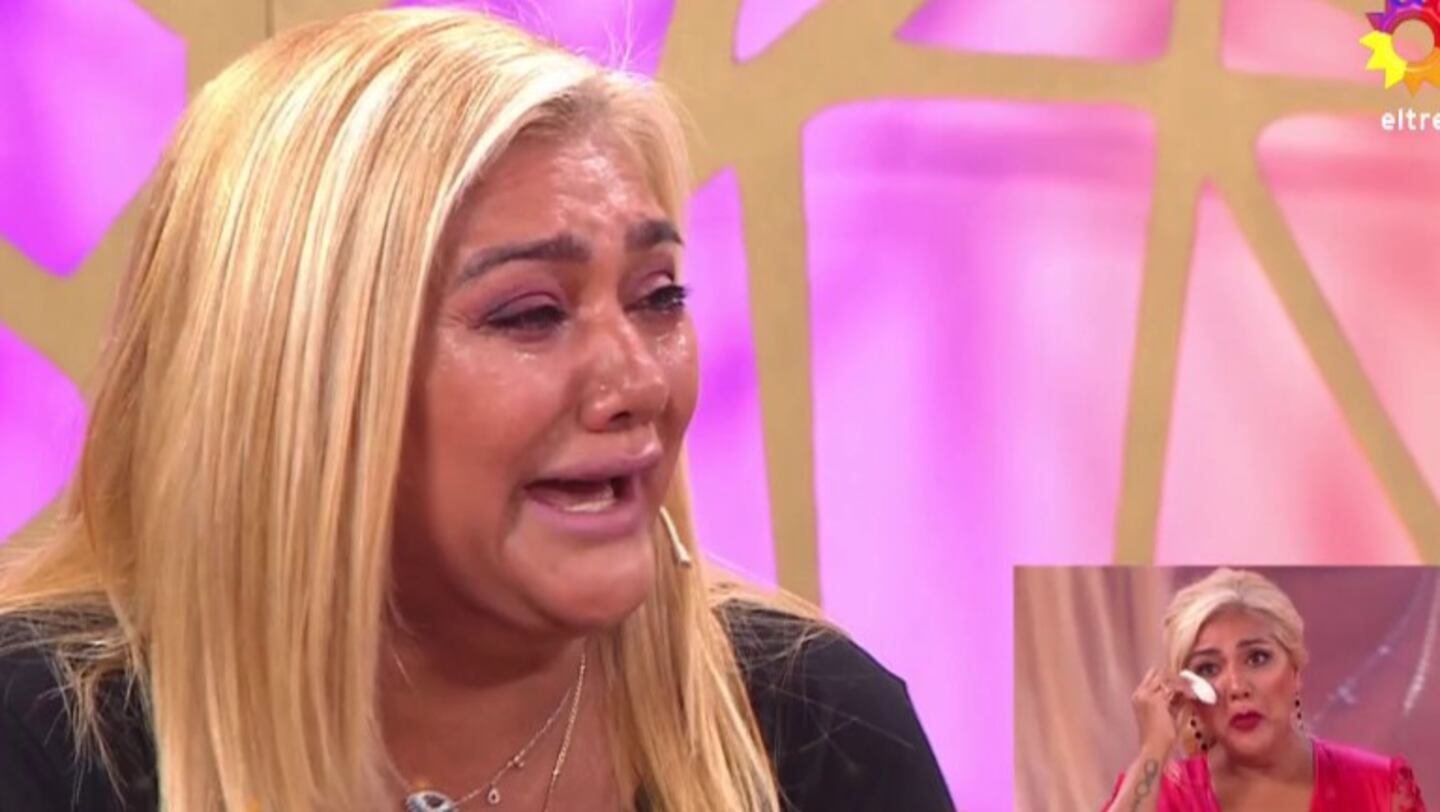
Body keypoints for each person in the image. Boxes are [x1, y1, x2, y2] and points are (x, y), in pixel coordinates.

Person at [0, 9, 953, 812]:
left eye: (659, 297)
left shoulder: (818, 729)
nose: (638, 383)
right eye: (531, 313)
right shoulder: (38, 743)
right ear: (305, 375)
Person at [1104, 568, 1427, 811]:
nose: (1237, 687)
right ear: (1190, 691)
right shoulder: (1161, 793)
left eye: (1257, 658)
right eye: (1208, 668)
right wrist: (1154, 747)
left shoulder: (1380, 788)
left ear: (1295, 671)